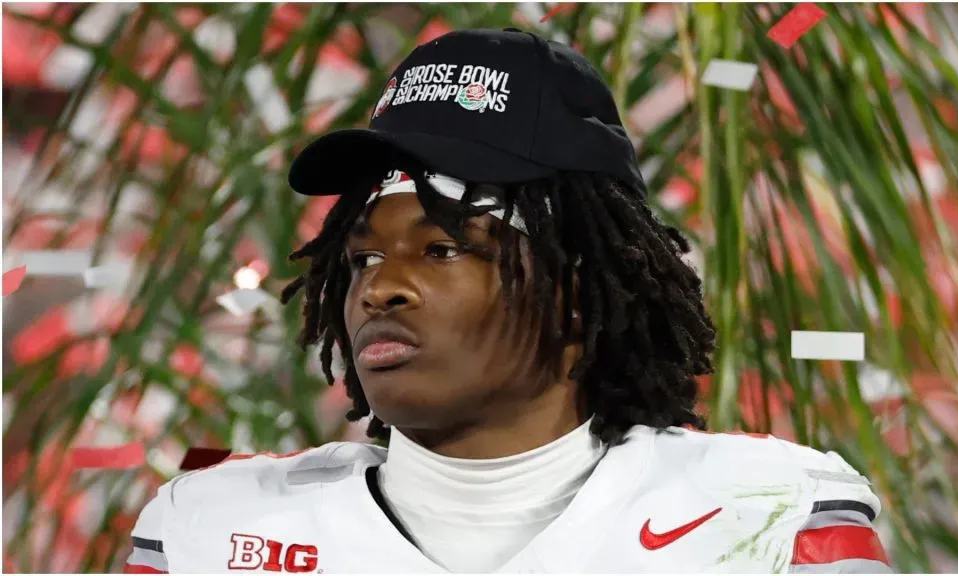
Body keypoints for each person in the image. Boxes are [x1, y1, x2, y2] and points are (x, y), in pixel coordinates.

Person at [127, 28, 891, 574]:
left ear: (581, 289)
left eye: (442, 248)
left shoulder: (770, 519)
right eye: (361, 257)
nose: (379, 286)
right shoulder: (212, 533)